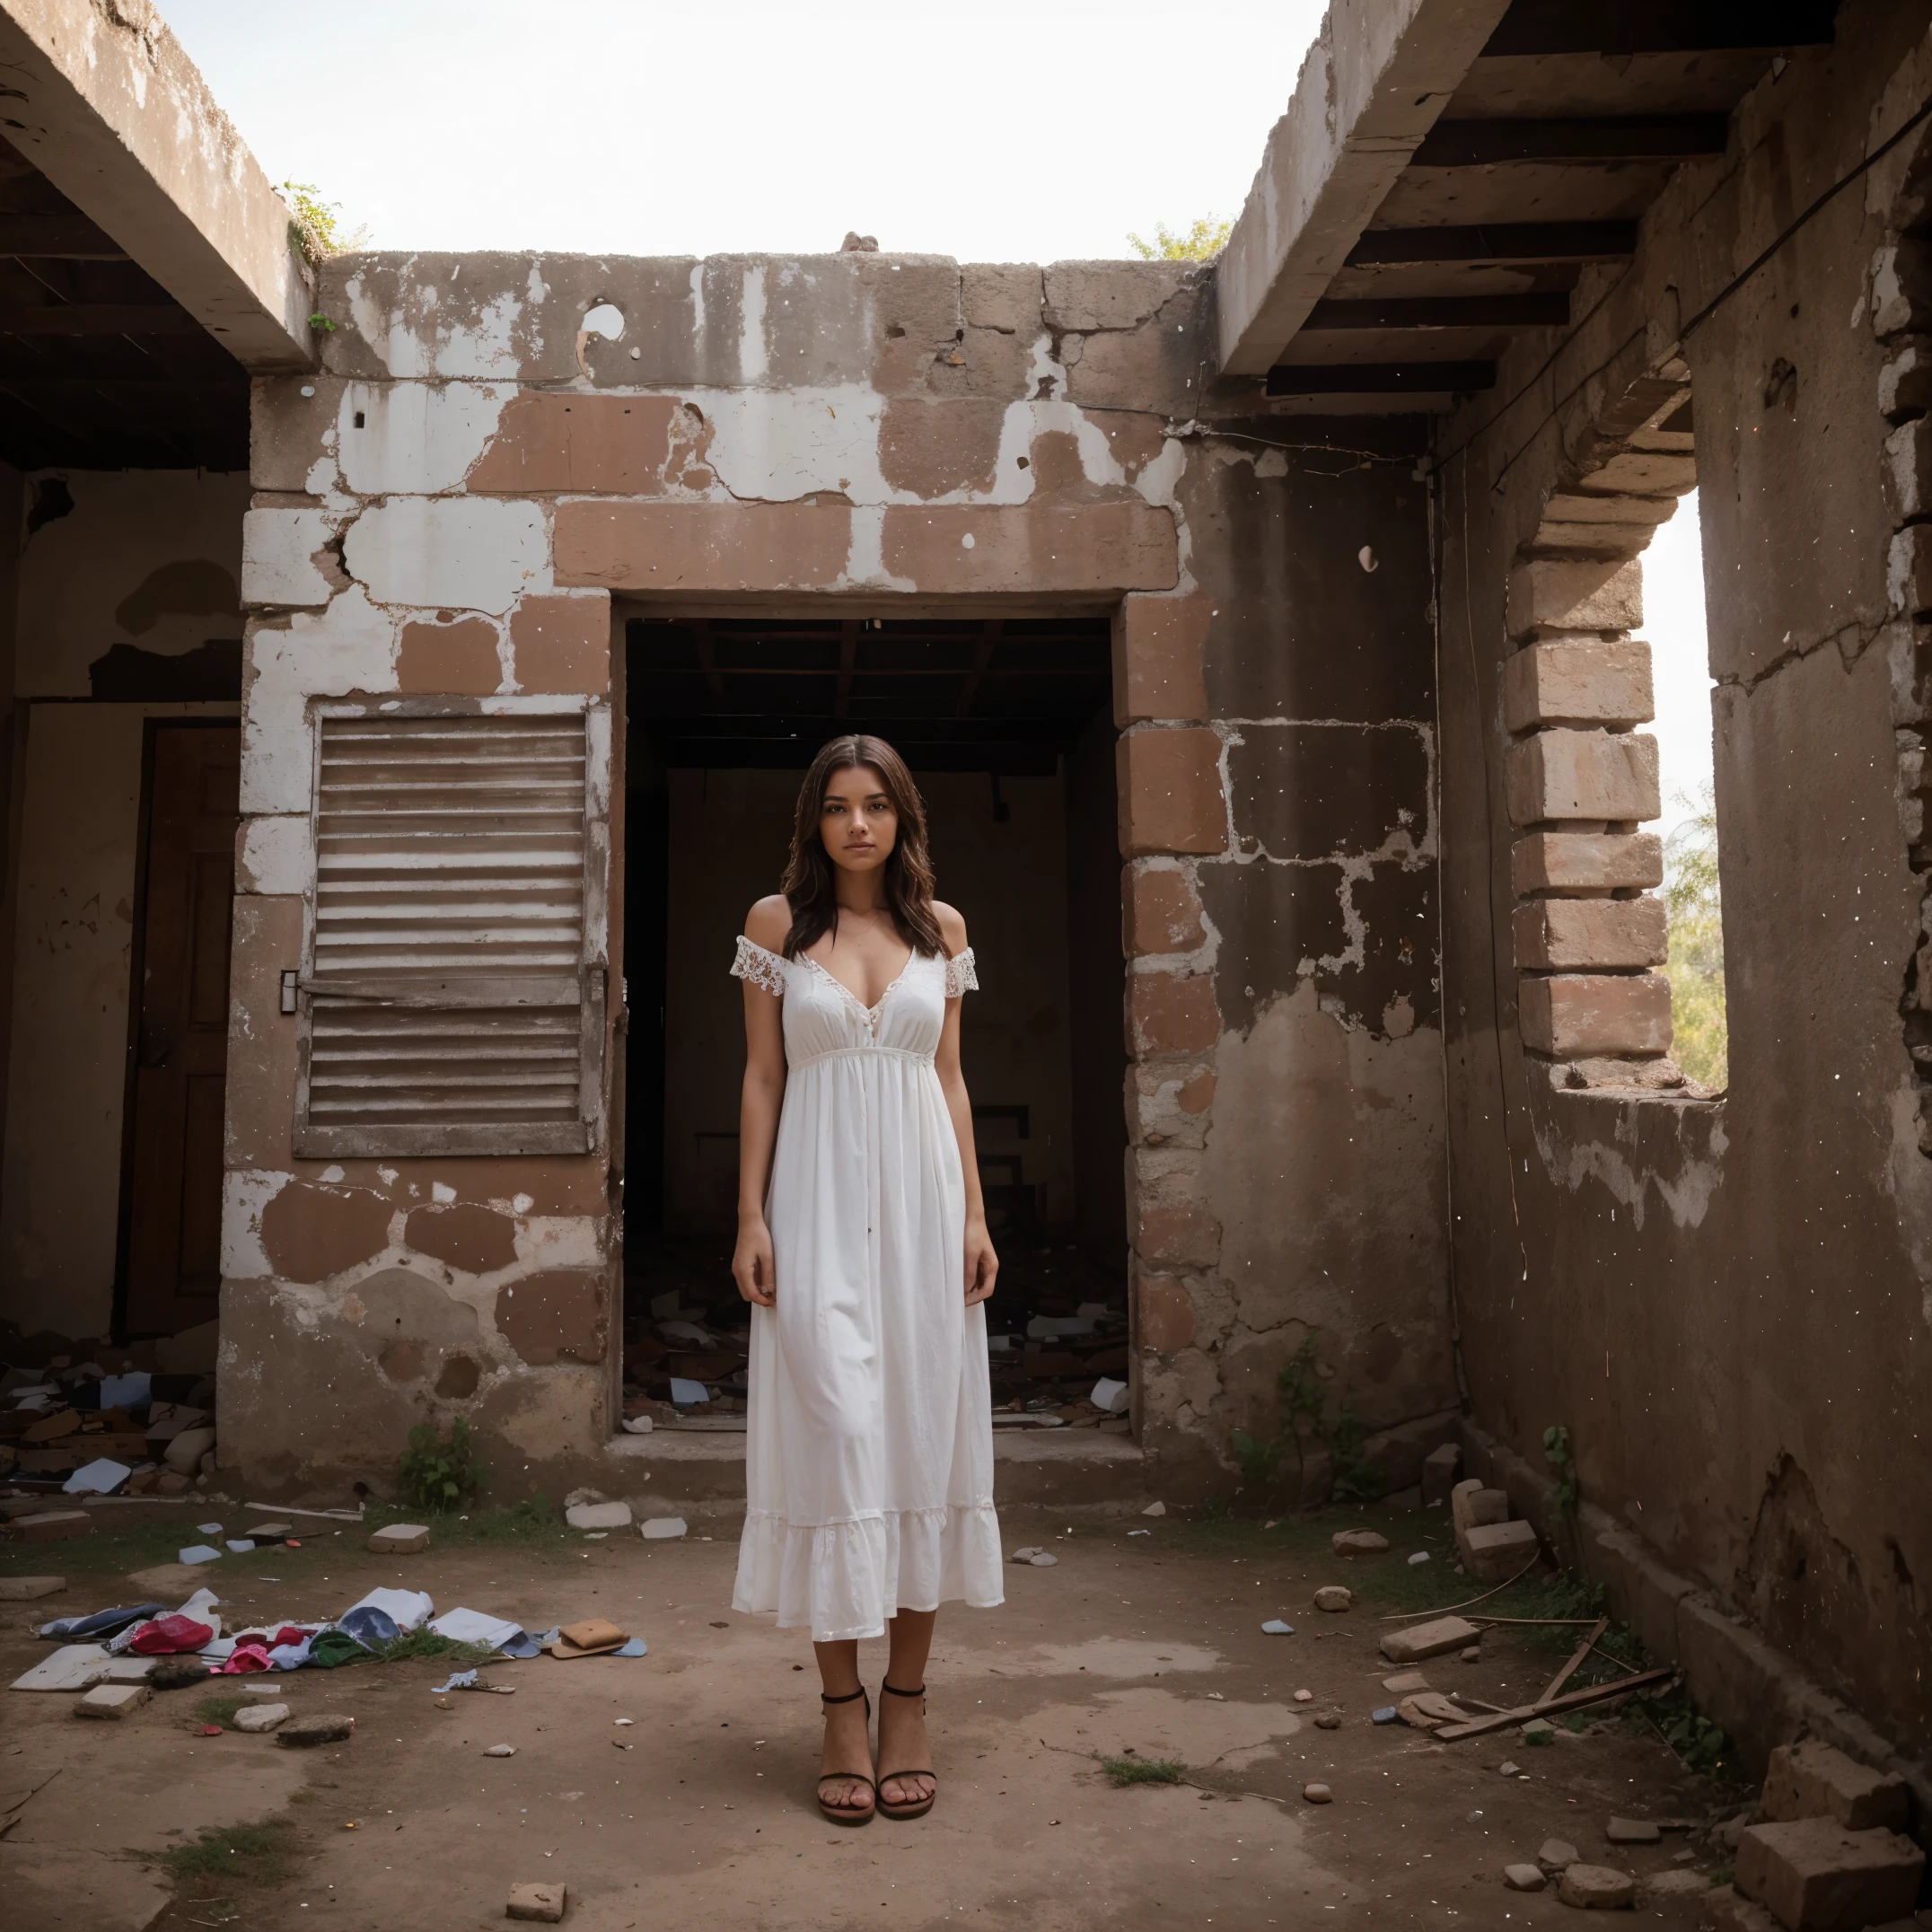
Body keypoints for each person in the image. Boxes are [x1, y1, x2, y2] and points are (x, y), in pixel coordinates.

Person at [729, 733, 1002, 1826]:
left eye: (876, 804)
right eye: (838, 805)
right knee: (838, 1435)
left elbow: (952, 1078)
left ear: (902, 818)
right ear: (814, 820)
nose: (857, 823)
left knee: (921, 1440)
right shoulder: (773, 928)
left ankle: (908, 1702)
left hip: (928, 1214)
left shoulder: (944, 931)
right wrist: (748, 1212)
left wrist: (978, 1213)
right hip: (816, 1210)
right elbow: (759, 1077)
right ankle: (840, 1705)